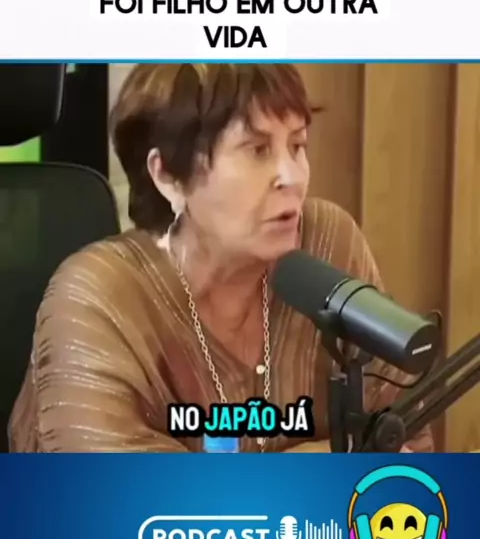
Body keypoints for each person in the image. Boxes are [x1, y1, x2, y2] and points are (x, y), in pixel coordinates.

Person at [9, 63, 433, 453]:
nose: (292, 177)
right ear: (167, 175)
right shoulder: (95, 298)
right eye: (257, 150)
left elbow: (407, 441)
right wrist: (333, 461)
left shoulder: (328, 242)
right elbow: (126, 499)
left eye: (298, 145)